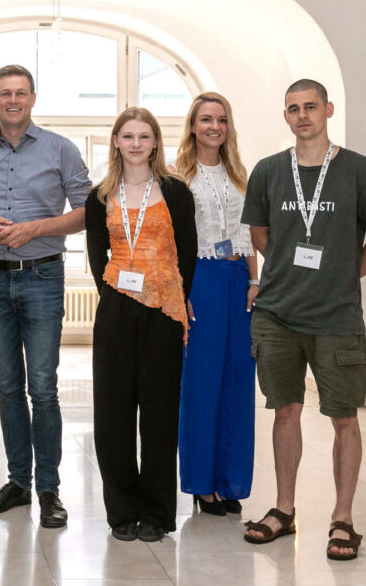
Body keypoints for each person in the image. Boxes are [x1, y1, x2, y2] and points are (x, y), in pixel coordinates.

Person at [0, 65, 90, 528]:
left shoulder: (61, 150)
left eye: (21, 93)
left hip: (43, 277)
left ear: (33, 98)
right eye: (5, 93)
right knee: (8, 388)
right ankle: (18, 483)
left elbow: (88, 211)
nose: (13, 100)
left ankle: (50, 489)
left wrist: (36, 228)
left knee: (44, 389)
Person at [242, 79, 366, 560]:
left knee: (343, 419)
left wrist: (339, 269)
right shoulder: (270, 171)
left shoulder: (356, 169)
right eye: (293, 108)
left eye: (310, 106)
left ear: (328, 109)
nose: (302, 116)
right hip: (277, 314)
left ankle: (342, 519)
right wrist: (290, 268)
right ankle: (284, 509)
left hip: (337, 317)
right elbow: (259, 232)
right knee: (285, 411)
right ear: (286, 115)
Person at [85, 107, 196, 542]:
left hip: (164, 315)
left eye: (143, 136)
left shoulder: (175, 192)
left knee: (159, 416)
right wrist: (121, 296)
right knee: (112, 417)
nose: (135, 143)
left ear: (155, 143)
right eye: (127, 136)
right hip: (115, 310)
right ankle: (122, 513)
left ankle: (156, 514)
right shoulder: (99, 196)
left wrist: (167, 296)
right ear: (116, 141)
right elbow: (98, 260)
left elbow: (187, 252)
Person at [173, 92, 257, 516]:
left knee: (239, 382)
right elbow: (172, 241)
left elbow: (251, 233)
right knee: (202, 382)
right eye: (205, 119)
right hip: (200, 281)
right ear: (192, 125)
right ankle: (202, 483)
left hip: (239, 279)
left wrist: (255, 279)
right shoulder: (178, 177)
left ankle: (231, 480)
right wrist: (181, 291)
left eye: (221, 120)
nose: (214, 127)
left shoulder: (241, 174)